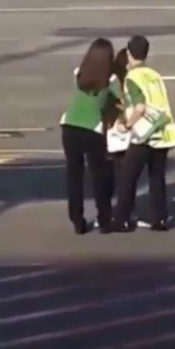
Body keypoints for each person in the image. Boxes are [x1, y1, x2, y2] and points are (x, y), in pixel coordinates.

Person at [112, 35, 175, 232]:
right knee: (156, 176)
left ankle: (121, 219)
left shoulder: (132, 77)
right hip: (164, 130)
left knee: (128, 176)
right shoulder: (154, 74)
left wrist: (126, 125)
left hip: (145, 134)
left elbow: (140, 106)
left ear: (128, 53)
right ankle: (160, 219)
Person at [60, 38, 118, 234]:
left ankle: (77, 219)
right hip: (92, 130)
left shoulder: (79, 74)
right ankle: (104, 219)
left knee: (74, 175)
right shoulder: (109, 81)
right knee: (99, 175)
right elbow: (121, 99)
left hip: (69, 126)